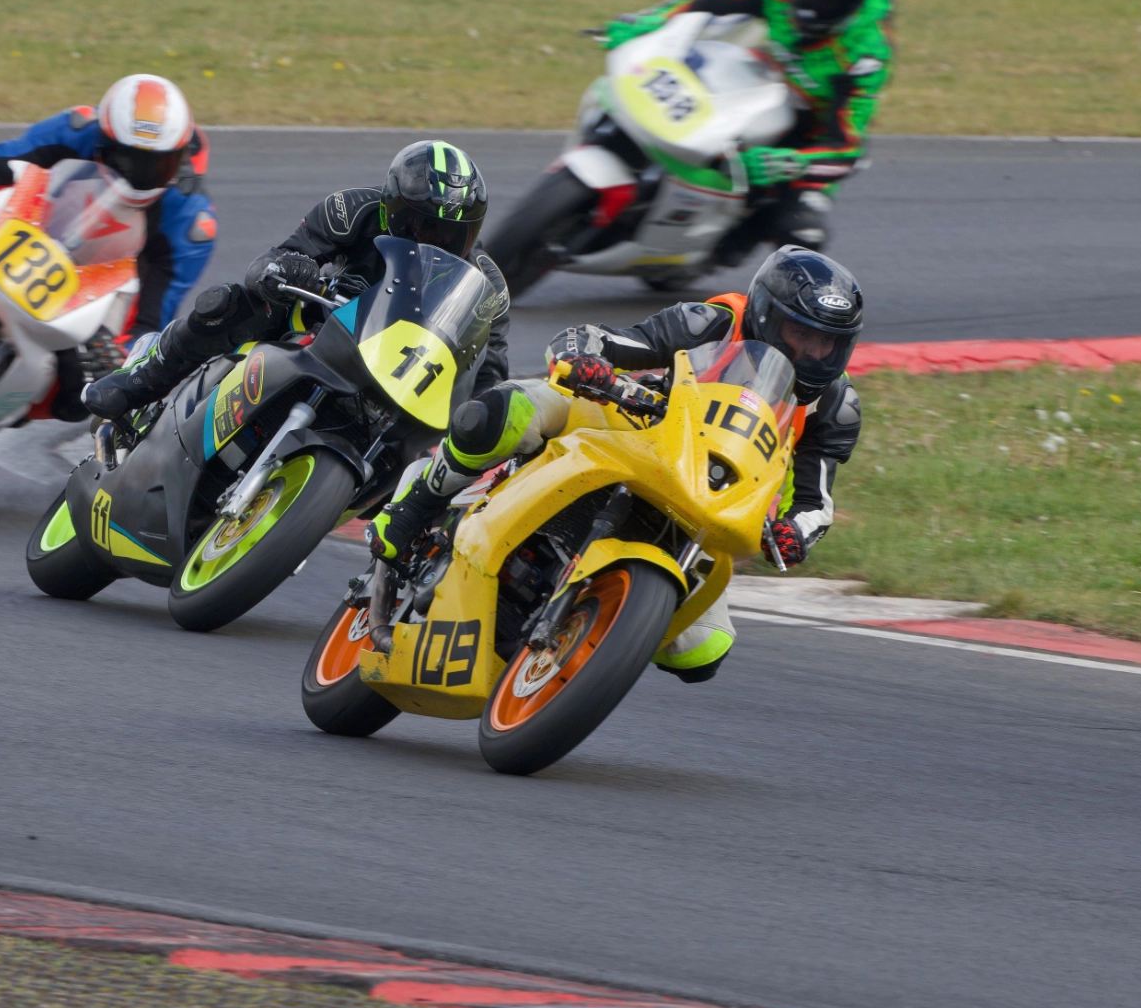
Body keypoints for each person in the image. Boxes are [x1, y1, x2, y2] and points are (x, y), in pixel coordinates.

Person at [368, 245, 863, 684]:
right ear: (763, 314)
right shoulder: (711, 322)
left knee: (703, 651)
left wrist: (794, 533)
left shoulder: (835, 407)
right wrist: (587, 360)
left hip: (712, 499)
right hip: (635, 425)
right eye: (800, 334)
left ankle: (596, 627)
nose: (813, 353)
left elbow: (814, 501)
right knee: (506, 412)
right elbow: (611, 340)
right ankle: (416, 505)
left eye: (828, 344)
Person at [82, 138, 505, 421]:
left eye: (450, 235)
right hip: (323, 327)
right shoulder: (353, 209)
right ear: (392, 208)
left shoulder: (487, 286)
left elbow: (492, 372)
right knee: (231, 304)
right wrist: (291, 269)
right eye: (420, 226)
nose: (431, 241)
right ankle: (143, 379)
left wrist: (483, 414)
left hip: (405, 378)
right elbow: (275, 259)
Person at [602, 0, 892, 264]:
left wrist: (788, 163)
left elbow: (848, 150)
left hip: (808, 136)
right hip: (754, 84)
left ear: (849, 4)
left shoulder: (865, 55)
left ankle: (728, 256)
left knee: (802, 233)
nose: (811, 3)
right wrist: (651, 20)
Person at [0, 74, 216, 342]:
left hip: (96, 294)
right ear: (103, 140)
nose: (137, 175)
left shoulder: (193, 224)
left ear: (179, 159)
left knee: (93, 383)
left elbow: (152, 324)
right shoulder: (77, 128)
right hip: (23, 234)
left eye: (157, 164)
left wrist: (117, 355)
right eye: (125, 158)